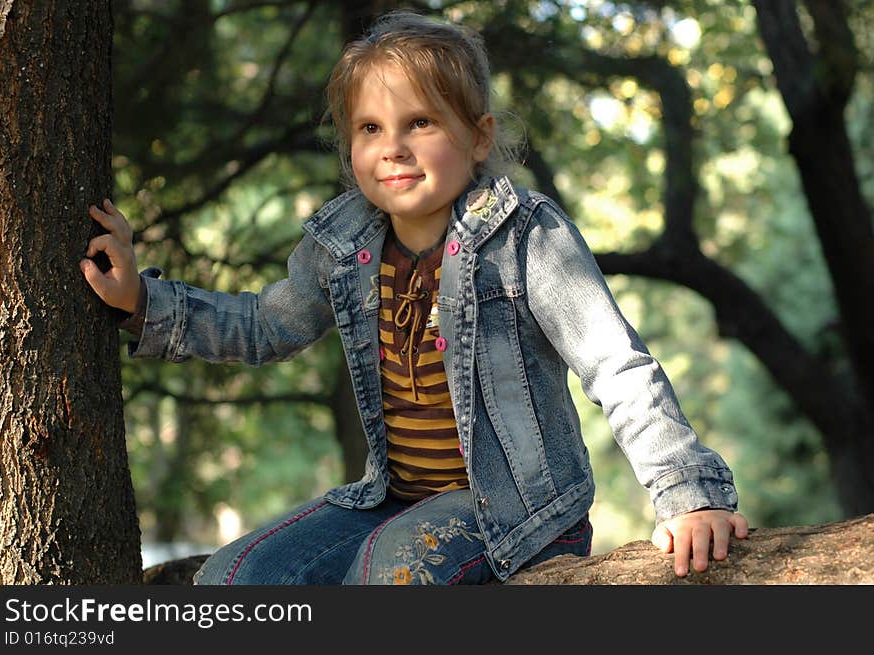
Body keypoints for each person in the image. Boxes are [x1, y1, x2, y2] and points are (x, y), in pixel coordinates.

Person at [80, 11, 748, 585]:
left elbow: (617, 365)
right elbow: (264, 324)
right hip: (393, 498)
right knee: (237, 577)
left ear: (478, 136)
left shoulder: (525, 235)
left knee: (389, 572)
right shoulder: (343, 244)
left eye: (420, 121)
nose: (393, 147)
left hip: (519, 508)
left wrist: (687, 494)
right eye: (370, 128)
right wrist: (143, 299)